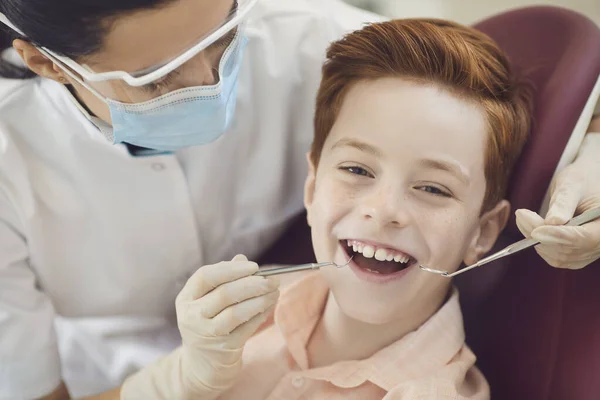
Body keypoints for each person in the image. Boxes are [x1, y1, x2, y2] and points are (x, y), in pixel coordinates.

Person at [0, 0, 597, 399]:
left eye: (222, 41)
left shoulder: (306, 39)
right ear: (45, 65)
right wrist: (179, 381)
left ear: (485, 232)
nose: (210, 84)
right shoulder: (11, 160)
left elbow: (474, 80)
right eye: (158, 79)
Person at [160, 17, 532, 400]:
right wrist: (177, 380)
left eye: (433, 188)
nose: (384, 210)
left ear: (483, 232)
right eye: (357, 169)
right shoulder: (254, 304)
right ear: (312, 186)